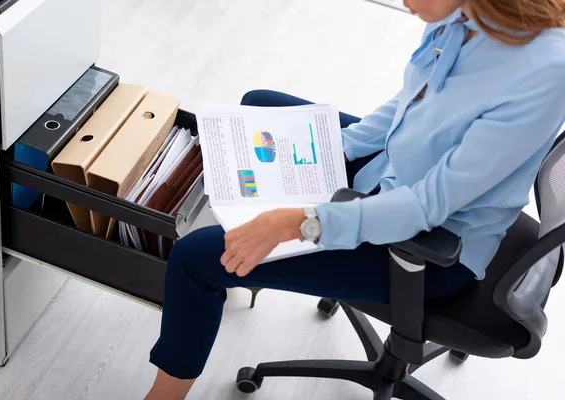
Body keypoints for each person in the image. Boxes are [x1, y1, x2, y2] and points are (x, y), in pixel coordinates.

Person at [144, 0, 565, 398]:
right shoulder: (461, 15)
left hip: (427, 247)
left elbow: (425, 206)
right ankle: (248, 256)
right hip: (388, 172)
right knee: (258, 108)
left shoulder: (543, 70)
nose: (403, 2)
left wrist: (297, 221)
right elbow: (408, 105)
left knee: (196, 259)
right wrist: (336, 149)